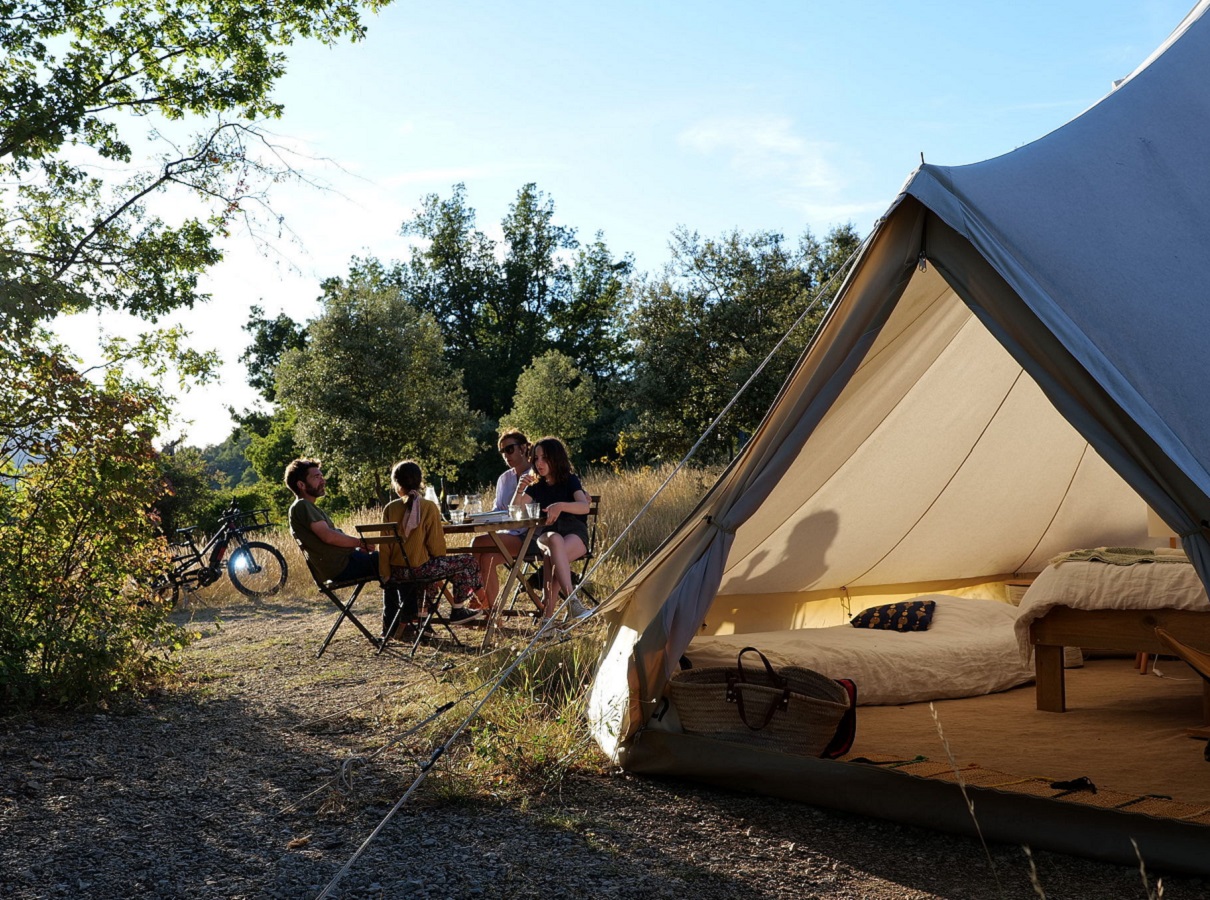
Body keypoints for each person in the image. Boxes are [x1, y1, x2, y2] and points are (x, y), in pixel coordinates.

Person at [379, 460, 483, 629]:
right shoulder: (428, 506)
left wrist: (385, 574)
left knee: (437, 571)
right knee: (467, 562)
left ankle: (424, 621)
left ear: (396, 484)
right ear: (420, 482)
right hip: (420, 570)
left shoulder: (390, 508)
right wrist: (438, 560)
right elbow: (436, 547)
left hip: (397, 572)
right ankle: (459, 609)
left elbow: (384, 546)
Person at [514, 436, 592, 620]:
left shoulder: (570, 480)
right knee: (554, 542)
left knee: (553, 557)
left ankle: (547, 620)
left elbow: (584, 506)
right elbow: (515, 512)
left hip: (574, 532)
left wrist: (561, 505)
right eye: (536, 458)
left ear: (556, 458)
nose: (539, 463)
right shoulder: (536, 486)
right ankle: (572, 602)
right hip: (545, 534)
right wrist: (519, 490)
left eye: (544, 458)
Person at [285, 458, 378, 583]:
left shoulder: (306, 506)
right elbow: (328, 536)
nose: (323, 481)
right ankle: (402, 603)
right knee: (393, 560)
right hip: (342, 567)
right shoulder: (302, 505)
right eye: (317, 477)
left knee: (388, 559)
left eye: (322, 476)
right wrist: (359, 543)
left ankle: (397, 602)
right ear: (301, 485)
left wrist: (356, 549)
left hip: (344, 562)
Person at [470, 430, 531, 610]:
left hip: (529, 535)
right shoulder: (504, 479)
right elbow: (498, 510)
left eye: (509, 449)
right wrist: (478, 517)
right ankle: (491, 611)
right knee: (487, 558)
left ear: (523, 448)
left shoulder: (536, 474)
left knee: (477, 543)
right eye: (502, 451)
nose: (506, 455)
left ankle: (476, 598)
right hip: (507, 533)